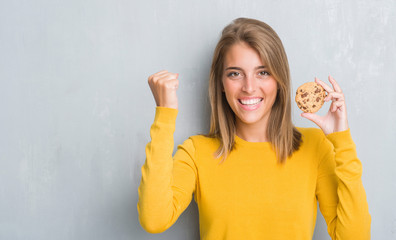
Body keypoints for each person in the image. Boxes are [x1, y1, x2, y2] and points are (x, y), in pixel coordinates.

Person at [137, 17, 371, 239]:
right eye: (235, 73)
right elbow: (154, 220)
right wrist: (165, 115)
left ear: (279, 81)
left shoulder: (315, 146)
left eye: (263, 72)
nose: (249, 87)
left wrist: (341, 140)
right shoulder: (197, 152)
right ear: (221, 83)